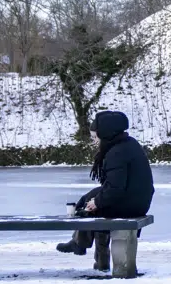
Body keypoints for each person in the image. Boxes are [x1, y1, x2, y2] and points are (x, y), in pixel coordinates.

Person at [56, 110, 153, 263]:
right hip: (138, 200)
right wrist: (95, 199)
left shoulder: (116, 153)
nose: (94, 141)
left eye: (95, 137)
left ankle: (86, 248)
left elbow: (115, 188)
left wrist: (97, 202)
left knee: (92, 210)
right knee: (90, 197)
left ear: (106, 134)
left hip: (131, 205)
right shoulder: (128, 144)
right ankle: (83, 246)